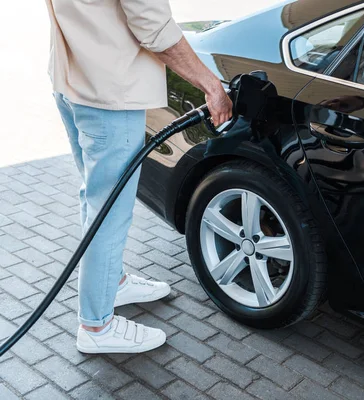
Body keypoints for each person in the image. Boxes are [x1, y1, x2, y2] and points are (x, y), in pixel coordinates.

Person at [45, 0, 233, 354]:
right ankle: (97, 326)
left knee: (95, 200)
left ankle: (110, 284)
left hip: (71, 83)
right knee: (109, 213)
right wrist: (211, 85)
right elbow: (153, 26)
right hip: (110, 96)